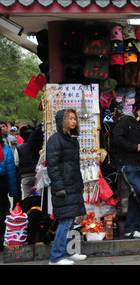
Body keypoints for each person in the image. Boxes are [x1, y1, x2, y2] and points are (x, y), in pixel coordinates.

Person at [46, 108, 86, 265]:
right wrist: (59, 187)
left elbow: (75, 166)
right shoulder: (56, 140)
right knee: (66, 220)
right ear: (63, 121)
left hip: (73, 185)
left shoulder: (72, 139)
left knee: (71, 220)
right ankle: (56, 257)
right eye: (70, 118)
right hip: (63, 187)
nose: (73, 121)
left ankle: (69, 251)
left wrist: (80, 184)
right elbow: (53, 166)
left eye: (74, 118)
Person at [113, 96, 140, 239]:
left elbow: (139, 145)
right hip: (128, 164)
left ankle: (131, 228)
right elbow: (117, 140)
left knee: (134, 195)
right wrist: (135, 147)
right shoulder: (126, 120)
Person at [0, 139, 18, 249]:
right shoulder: (6, 149)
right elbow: (11, 173)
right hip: (2, 184)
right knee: (2, 212)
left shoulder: (6, 149)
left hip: (2, 184)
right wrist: (13, 192)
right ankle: (1, 238)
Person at [16, 126, 38, 198]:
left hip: (25, 175)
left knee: (27, 198)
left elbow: (16, 162)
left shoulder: (19, 148)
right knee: (38, 196)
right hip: (37, 174)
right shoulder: (37, 146)